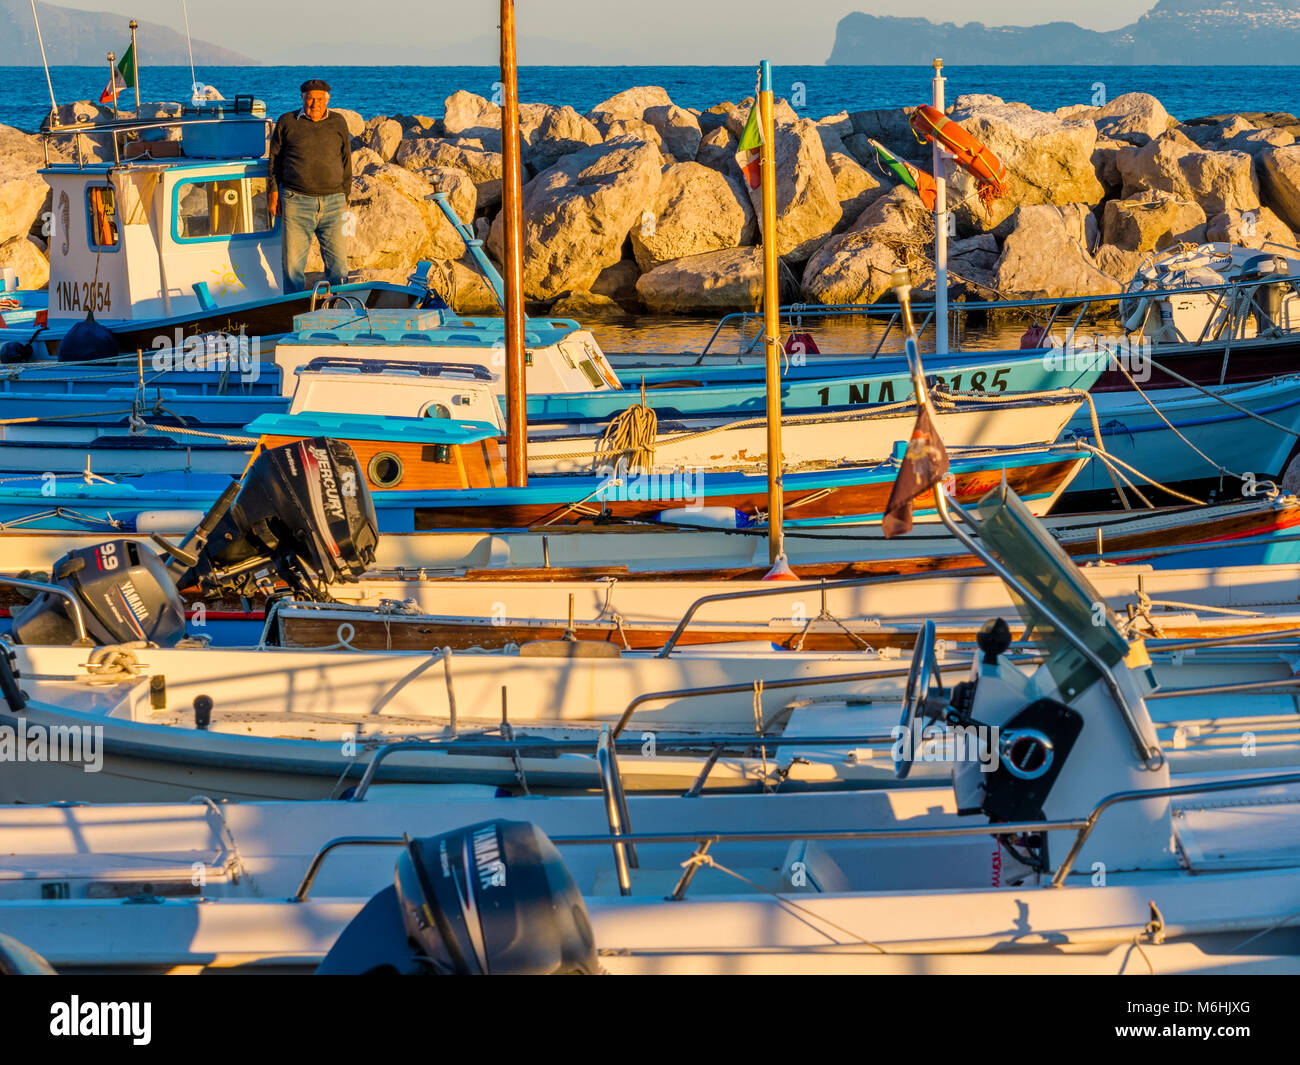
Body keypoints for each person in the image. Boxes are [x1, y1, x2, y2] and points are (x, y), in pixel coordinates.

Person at [267, 79, 352, 293]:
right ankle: (294, 313)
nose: (315, 104)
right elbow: (274, 160)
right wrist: (273, 193)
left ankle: (339, 311)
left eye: (320, 99)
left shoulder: (338, 121)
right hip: (297, 201)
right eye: (310, 98)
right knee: (293, 266)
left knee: (339, 266)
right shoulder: (287, 121)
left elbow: (346, 159)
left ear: (327, 100)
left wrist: (345, 195)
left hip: (334, 202)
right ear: (302, 98)